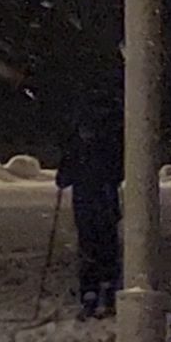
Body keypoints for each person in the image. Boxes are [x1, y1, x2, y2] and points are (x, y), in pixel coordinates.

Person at [56, 120, 123, 320]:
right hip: (91, 210)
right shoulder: (81, 152)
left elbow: (117, 175)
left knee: (101, 254)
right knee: (94, 254)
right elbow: (62, 180)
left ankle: (103, 296)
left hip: (99, 209)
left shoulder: (97, 151)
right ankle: (95, 296)